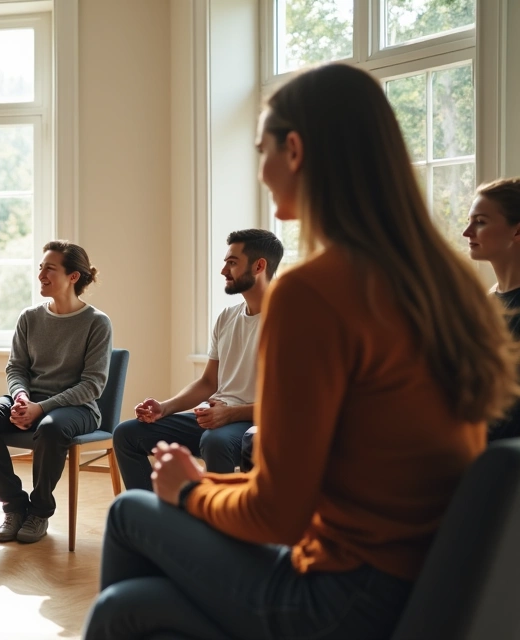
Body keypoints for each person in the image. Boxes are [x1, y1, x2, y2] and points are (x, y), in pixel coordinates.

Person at [83, 63, 518, 639]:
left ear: (294, 149)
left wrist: (188, 489)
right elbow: (316, 488)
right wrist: (201, 485)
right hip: (412, 582)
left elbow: (278, 513)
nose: (261, 170)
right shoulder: (450, 284)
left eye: (262, 149)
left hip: (342, 599)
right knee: (126, 607)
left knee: (128, 512)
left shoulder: (314, 291)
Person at [0, 241, 112, 544]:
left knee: (51, 427)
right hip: (31, 400)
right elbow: (15, 368)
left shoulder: (97, 323)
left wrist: (41, 409)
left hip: (78, 408)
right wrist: (21, 398)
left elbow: (92, 385)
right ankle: (14, 506)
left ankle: (40, 511)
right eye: (40, 267)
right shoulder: (29, 317)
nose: (41, 274)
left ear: (73, 276)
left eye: (50, 268)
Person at [113, 229, 283, 489]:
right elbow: (207, 382)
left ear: (259, 266)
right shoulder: (227, 317)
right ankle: (152, 519)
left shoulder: (288, 319)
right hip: (217, 416)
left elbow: (292, 402)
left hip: (255, 422)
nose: (224, 271)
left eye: (232, 263)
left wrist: (231, 414)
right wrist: (164, 407)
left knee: (215, 441)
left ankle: (219, 523)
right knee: (127, 434)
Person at [463, 176, 520, 441]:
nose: (467, 232)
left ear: (517, 231)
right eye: (470, 220)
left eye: (481, 222)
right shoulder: (486, 305)